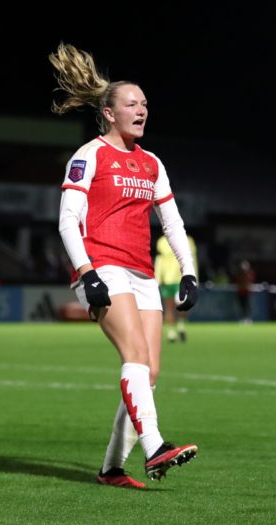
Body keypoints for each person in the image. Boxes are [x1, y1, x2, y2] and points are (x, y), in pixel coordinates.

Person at [51, 43, 199, 489]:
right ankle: (155, 447)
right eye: (132, 104)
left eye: (146, 104)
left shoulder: (151, 163)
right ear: (109, 113)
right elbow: (67, 220)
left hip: (143, 275)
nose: (142, 110)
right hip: (103, 267)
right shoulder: (89, 155)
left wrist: (188, 271)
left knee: (149, 372)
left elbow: (172, 221)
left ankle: (112, 469)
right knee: (133, 357)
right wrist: (87, 271)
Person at [155, 234, 197, 342]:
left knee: (182, 306)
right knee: (169, 307)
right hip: (168, 280)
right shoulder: (162, 241)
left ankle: (181, 327)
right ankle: (171, 332)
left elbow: (192, 260)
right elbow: (160, 260)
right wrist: (158, 278)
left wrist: (194, 277)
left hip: (182, 279)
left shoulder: (188, 240)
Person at [235, 260, 255, 324]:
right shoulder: (239, 273)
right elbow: (237, 281)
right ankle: (242, 318)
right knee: (241, 306)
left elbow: (251, 281)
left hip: (247, 292)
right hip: (240, 292)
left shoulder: (249, 273)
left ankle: (248, 318)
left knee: (247, 306)